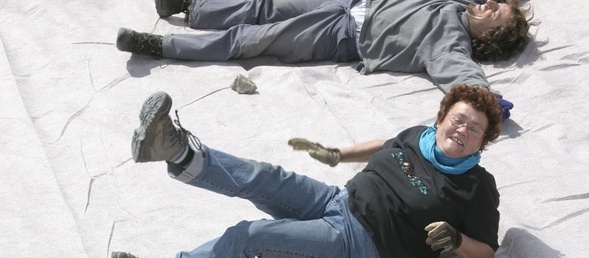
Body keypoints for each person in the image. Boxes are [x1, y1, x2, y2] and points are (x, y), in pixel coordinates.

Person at [110, 84, 502, 258]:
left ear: (482, 143)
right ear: (441, 118)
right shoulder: (420, 135)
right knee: (265, 176)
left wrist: (456, 240)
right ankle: (177, 151)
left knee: (252, 235)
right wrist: (338, 154)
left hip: (365, 250)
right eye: (458, 119)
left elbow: (486, 252)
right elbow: (385, 145)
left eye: (475, 130)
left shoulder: (477, 186)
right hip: (338, 200)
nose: (462, 131)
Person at [116, 0, 535, 118]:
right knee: (265, 4)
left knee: (253, 40)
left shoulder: (450, 41)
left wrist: (490, 103)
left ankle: (162, 46)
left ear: (491, 35)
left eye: (496, 12)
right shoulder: (459, 4)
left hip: (343, 36)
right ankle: (191, 7)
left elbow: (463, 76)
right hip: (347, 2)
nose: (489, 3)